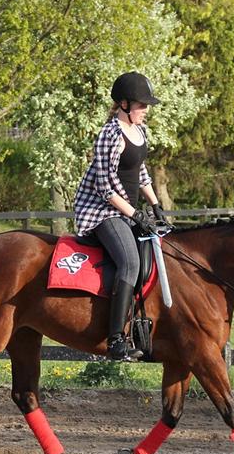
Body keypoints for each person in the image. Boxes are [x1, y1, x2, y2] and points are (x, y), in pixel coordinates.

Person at [72, 71, 171, 361]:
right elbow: (104, 188)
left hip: (129, 210)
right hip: (101, 210)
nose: (145, 110)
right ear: (124, 105)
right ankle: (115, 340)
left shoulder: (139, 131)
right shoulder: (109, 135)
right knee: (130, 262)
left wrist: (155, 206)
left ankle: (140, 326)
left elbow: (140, 172)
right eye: (141, 105)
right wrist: (135, 214)